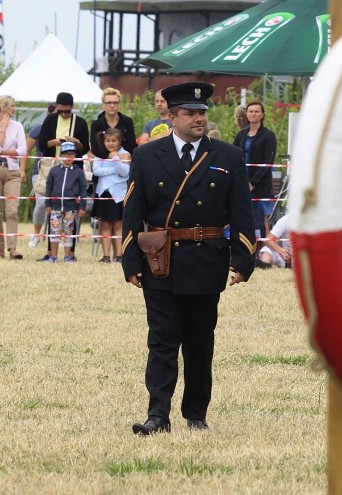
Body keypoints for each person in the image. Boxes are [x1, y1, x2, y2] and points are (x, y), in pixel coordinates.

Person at [122, 82, 257, 435]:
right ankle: (157, 415)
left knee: (199, 343)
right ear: (172, 117)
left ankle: (196, 414)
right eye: (190, 113)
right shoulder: (147, 156)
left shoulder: (227, 156)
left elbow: (242, 212)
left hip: (206, 260)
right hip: (160, 261)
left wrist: (244, 259)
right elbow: (132, 212)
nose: (198, 118)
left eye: (202, 113)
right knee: (162, 341)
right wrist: (130, 260)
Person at [0, 95, 27, 259]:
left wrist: (2, 151)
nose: (15, 109)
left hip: (12, 171)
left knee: (12, 211)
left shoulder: (18, 126)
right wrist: (2, 128)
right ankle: (0, 250)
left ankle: (12, 249)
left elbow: (23, 151)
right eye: (13, 106)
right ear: (3, 107)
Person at [233, 100, 277, 240]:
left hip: (260, 185)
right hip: (241, 182)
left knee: (261, 222)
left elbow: (268, 161)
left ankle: (263, 252)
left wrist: (252, 183)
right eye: (251, 111)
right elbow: (234, 155)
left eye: (257, 111)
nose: (253, 114)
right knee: (243, 218)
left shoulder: (268, 135)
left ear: (262, 114)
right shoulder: (241, 134)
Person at [44, 141, 87, 262]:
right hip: (55, 207)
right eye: (66, 154)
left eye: (72, 154)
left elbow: (83, 190)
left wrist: (82, 206)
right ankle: (53, 256)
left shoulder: (78, 172)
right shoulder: (54, 171)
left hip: (71, 208)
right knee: (54, 231)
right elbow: (48, 187)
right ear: (61, 155)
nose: (69, 157)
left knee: (68, 232)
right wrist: (48, 203)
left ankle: (68, 256)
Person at [91, 128, 130, 263]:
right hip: (104, 192)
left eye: (114, 141)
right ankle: (106, 255)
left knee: (119, 226)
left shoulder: (125, 154)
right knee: (106, 225)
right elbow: (96, 171)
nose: (111, 143)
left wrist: (115, 159)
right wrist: (115, 168)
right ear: (104, 141)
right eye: (108, 141)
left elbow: (125, 172)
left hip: (119, 195)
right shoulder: (99, 154)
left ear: (119, 141)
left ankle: (119, 255)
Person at [25, 103, 56, 247]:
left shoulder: (66, 130)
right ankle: (37, 234)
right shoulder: (39, 128)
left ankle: (58, 236)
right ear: (49, 113)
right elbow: (26, 150)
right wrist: (21, 170)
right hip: (40, 171)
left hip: (60, 170)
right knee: (41, 203)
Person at [37, 92, 90, 162]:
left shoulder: (81, 123)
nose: (64, 114)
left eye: (67, 111)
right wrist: (53, 143)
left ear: (72, 106)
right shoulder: (50, 119)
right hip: (52, 164)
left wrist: (77, 143)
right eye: (60, 111)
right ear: (56, 106)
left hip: (73, 166)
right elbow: (41, 145)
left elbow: (85, 149)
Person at [89, 88, 137, 160]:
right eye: (109, 102)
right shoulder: (96, 124)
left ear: (119, 104)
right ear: (103, 105)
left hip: (124, 159)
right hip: (103, 160)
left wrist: (121, 155)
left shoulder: (127, 121)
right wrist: (110, 155)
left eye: (115, 102)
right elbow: (95, 148)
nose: (112, 105)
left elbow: (132, 144)